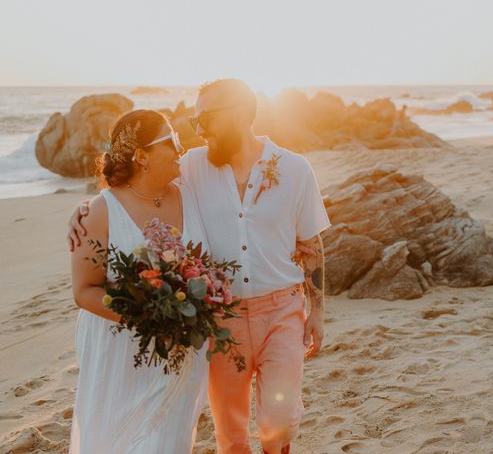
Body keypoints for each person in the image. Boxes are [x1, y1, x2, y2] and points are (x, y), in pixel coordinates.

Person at [68, 79, 331, 454]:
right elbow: (136, 188)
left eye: (204, 117)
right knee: (231, 431)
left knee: (280, 420)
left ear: (238, 114)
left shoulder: (294, 168)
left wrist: (318, 310)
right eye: (194, 119)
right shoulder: (190, 167)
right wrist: (82, 210)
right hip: (220, 319)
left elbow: (311, 243)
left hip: (282, 311)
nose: (198, 128)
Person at [68, 109, 209, 453]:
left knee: (169, 441)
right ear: (142, 156)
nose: (180, 149)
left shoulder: (189, 192)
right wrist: (148, 320)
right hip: (121, 351)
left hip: (182, 348)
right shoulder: (100, 212)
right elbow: (85, 291)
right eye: (171, 141)